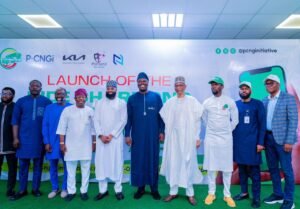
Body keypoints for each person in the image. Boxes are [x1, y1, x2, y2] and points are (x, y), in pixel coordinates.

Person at [160, 76, 203, 206]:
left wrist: (197, 137)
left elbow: (197, 121)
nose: (178, 87)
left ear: (185, 87)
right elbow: (164, 117)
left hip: (188, 138)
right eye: (176, 85)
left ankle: (190, 193)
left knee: (187, 164)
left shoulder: (192, 101)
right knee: (173, 163)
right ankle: (173, 192)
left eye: (181, 85)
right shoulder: (170, 102)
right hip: (173, 139)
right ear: (174, 87)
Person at [125, 72, 165, 200]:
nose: (142, 83)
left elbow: (161, 117)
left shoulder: (156, 97)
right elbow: (129, 119)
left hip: (152, 136)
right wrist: (127, 135)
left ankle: (154, 189)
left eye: (144, 81)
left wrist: (162, 131)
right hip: (137, 137)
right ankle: (140, 188)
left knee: (152, 160)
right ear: (137, 83)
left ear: (148, 82)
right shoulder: (132, 99)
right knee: (139, 161)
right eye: (140, 81)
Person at [11, 80, 52, 200]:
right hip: (23, 140)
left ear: (41, 87)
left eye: (37, 86)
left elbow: (49, 123)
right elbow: (15, 121)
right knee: (23, 166)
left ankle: (35, 189)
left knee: (38, 166)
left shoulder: (46, 102)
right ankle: (22, 190)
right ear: (29, 87)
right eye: (32, 85)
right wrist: (15, 138)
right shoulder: (21, 101)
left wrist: (47, 141)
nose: (35, 87)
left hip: (39, 140)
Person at [262, 75, 298, 209]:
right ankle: (278, 194)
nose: (268, 85)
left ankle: (289, 199)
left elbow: (293, 120)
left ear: (277, 84)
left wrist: (289, 141)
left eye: (271, 83)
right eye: (266, 84)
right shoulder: (264, 100)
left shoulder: (288, 98)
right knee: (272, 169)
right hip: (268, 139)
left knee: (287, 170)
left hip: (283, 141)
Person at [202, 76, 239, 208]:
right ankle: (211, 193)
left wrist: (226, 130)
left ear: (222, 86)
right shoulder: (206, 102)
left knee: (227, 168)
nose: (213, 87)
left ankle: (227, 195)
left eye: (216, 85)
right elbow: (204, 118)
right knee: (211, 167)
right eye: (212, 85)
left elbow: (235, 119)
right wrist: (213, 129)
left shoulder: (229, 101)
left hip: (226, 138)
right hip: (211, 137)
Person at [56, 88, 96, 202]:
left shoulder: (90, 111)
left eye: (83, 97)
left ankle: (84, 191)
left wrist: (94, 142)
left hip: (86, 145)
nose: (81, 99)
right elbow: (61, 128)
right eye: (78, 97)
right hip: (70, 145)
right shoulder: (67, 110)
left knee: (86, 170)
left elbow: (94, 129)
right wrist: (62, 143)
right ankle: (71, 191)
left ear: (85, 98)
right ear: (75, 98)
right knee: (70, 170)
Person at [232, 81, 266, 208]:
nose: (244, 91)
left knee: (255, 173)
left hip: (253, 144)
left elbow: (262, 125)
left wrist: (261, 143)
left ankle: (256, 197)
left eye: (246, 88)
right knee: (241, 171)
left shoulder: (258, 104)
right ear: (239, 91)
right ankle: (244, 192)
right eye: (242, 89)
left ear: (250, 90)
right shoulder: (235, 105)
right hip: (239, 144)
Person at [93, 80, 127, 201]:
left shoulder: (121, 103)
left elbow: (123, 120)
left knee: (117, 162)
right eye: (109, 88)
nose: (110, 90)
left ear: (116, 89)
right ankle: (103, 190)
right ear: (106, 89)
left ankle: (118, 190)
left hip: (115, 139)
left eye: (113, 88)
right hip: (102, 140)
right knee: (101, 164)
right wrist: (101, 135)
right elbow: (95, 120)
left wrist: (112, 135)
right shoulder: (99, 103)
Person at [42, 87, 71, 199]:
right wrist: (46, 142)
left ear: (66, 95)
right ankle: (55, 188)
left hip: (67, 142)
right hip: (52, 142)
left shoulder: (70, 107)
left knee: (67, 166)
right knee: (53, 166)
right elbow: (45, 125)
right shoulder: (49, 108)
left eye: (62, 93)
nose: (60, 95)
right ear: (55, 96)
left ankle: (65, 188)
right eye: (57, 93)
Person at [0, 87, 17, 197]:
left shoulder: (16, 108)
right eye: (3, 93)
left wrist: (16, 139)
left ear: (13, 96)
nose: (5, 95)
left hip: (11, 144)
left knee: (12, 169)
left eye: (8, 94)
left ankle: (10, 190)